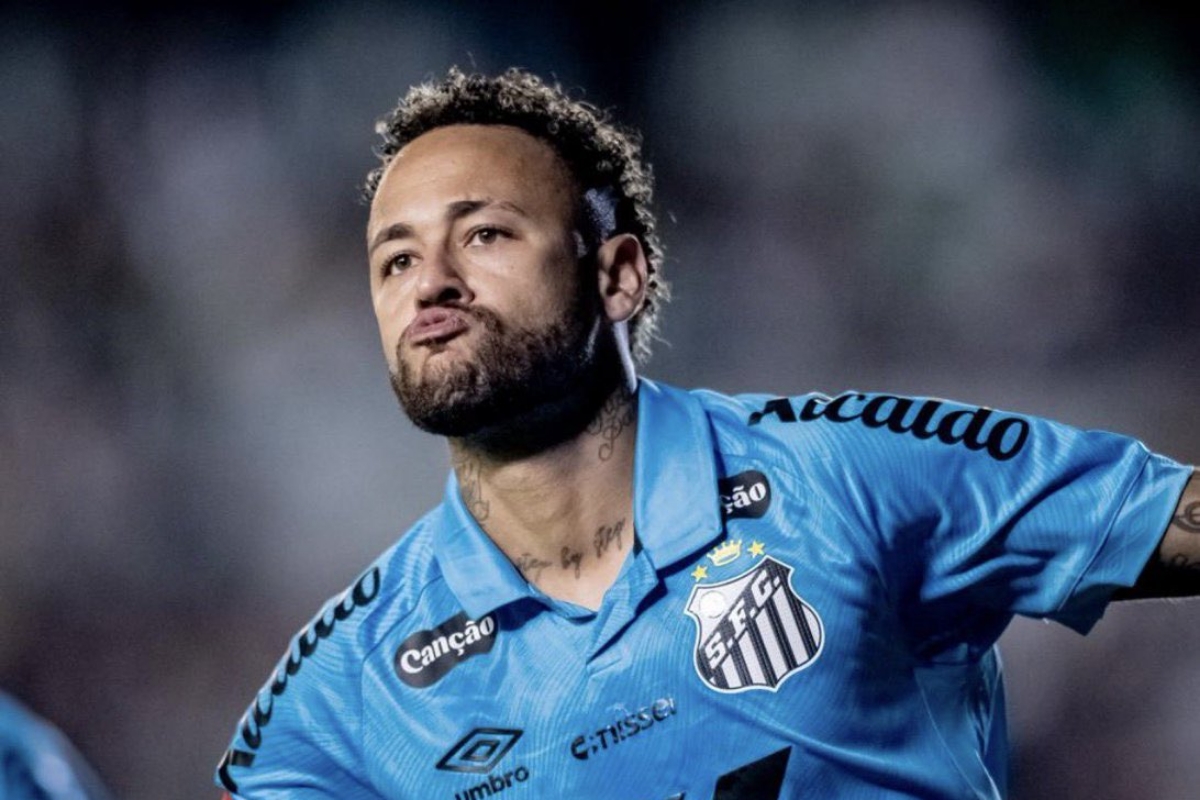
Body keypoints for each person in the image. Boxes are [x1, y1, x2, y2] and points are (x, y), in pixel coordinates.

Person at [215, 68, 1197, 799]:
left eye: (485, 234)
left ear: (618, 276)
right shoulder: (341, 692)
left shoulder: (846, 475)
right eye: (395, 259)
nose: (430, 282)